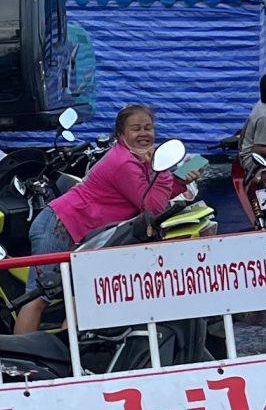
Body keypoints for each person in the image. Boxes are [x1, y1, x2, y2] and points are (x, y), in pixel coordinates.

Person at [15, 103, 186, 333]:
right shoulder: (124, 162)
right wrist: (161, 170)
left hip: (85, 236)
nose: (144, 134)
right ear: (121, 134)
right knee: (39, 297)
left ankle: (71, 356)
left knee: (79, 297)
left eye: (148, 128)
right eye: (136, 129)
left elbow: (152, 195)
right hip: (58, 225)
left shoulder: (137, 160)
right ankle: (23, 358)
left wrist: (181, 181)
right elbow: (152, 206)